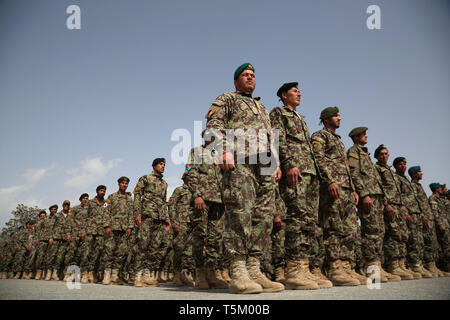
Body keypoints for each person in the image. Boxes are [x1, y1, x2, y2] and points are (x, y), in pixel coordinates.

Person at [205, 62, 284, 294]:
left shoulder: (261, 107)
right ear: (236, 81)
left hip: (265, 166)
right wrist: (223, 150)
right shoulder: (227, 99)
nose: (250, 78)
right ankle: (238, 269)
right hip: (240, 162)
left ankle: (255, 267)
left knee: (264, 216)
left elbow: (270, 138)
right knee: (240, 212)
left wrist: (276, 162)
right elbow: (213, 125)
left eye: (252, 75)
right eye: (245, 75)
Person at [269, 82, 331, 289]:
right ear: (284, 95)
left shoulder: (301, 120)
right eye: (295, 91)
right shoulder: (279, 113)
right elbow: (279, 139)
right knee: (295, 219)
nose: (299, 94)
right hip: (295, 171)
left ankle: (304, 267)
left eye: (299, 91)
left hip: (310, 173)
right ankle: (293, 269)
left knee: (308, 222)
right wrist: (288, 164)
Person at [311, 106, 362, 286]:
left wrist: (353, 189)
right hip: (333, 188)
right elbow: (318, 159)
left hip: (347, 190)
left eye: (339, 115)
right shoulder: (319, 136)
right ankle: (334, 267)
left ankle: (346, 266)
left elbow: (346, 168)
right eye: (336, 115)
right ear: (326, 119)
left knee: (349, 231)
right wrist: (330, 180)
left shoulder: (339, 142)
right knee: (333, 229)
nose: (339, 118)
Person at [347, 128, 400, 282]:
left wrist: (383, 201)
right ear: (357, 137)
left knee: (378, 232)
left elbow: (375, 180)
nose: (367, 136)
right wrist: (364, 194)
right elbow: (354, 173)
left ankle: (377, 266)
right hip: (368, 197)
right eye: (364, 134)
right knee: (370, 233)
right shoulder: (354, 151)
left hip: (376, 197)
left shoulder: (365, 154)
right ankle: (371, 271)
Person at [185, 130, 229, 290]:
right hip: (202, 200)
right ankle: (200, 273)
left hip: (218, 201)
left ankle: (211, 272)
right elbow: (190, 173)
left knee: (215, 237)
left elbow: (224, 179)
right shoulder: (196, 152)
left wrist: (225, 199)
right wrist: (196, 195)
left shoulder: (219, 156)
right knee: (200, 235)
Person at [373, 145, 414, 280]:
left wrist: (403, 206)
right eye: (381, 154)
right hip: (389, 205)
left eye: (386, 153)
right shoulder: (377, 169)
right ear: (377, 157)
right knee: (392, 234)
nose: (384, 156)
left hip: (399, 206)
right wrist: (386, 204)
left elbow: (398, 191)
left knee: (401, 234)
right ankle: (393, 265)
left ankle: (401, 264)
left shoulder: (391, 172)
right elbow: (379, 187)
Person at [133, 158, 170, 287]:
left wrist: (167, 219)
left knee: (154, 247)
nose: (163, 166)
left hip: (160, 218)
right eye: (160, 164)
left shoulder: (164, 183)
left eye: (164, 165)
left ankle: (147, 275)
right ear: (154, 166)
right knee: (143, 244)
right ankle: (138, 275)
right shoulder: (145, 178)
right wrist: (137, 214)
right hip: (147, 215)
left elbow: (164, 201)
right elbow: (137, 195)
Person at [393, 157, 431, 278]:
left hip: (416, 212)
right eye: (400, 164)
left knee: (418, 240)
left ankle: (418, 264)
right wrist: (406, 212)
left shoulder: (406, 179)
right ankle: (413, 265)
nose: (403, 166)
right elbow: (398, 196)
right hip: (407, 212)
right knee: (411, 240)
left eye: (405, 164)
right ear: (395, 166)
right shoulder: (396, 178)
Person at [101, 177, 134, 285]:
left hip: (124, 229)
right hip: (112, 228)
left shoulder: (130, 199)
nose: (124, 185)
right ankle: (106, 275)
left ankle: (114, 276)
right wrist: (106, 226)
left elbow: (131, 214)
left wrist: (130, 227)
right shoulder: (110, 198)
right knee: (109, 251)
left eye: (126, 184)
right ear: (119, 184)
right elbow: (105, 211)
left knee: (121, 253)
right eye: (122, 183)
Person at [169, 174, 196, 287]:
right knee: (179, 248)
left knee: (189, 250)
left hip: (192, 223)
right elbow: (171, 206)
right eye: (189, 178)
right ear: (184, 179)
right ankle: (176, 273)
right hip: (181, 222)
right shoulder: (179, 190)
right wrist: (174, 222)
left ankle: (186, 272)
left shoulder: (195, 192)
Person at [80, 185, 108, 283]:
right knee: (86, 251)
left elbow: (107, 216)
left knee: (97, 252)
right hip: (89, 230)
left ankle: (91, 271)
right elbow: (84, 217)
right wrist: (83, 231)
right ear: (97, 191)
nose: (102, 192)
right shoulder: (90, 203)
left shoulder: (106, 204)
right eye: (101, 190)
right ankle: (84, 272)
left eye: (104, 191)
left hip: (100, 231)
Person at [429, 183, 450, 274]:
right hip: (441, 226)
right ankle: (445, 267)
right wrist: (440, 224)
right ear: (436, 189)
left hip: (446, 225)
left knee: (447, 245)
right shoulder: (433, 198)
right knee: (444, 247)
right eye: (439, 188)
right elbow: (435, 213)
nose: (441, 189)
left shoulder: (440, 199)